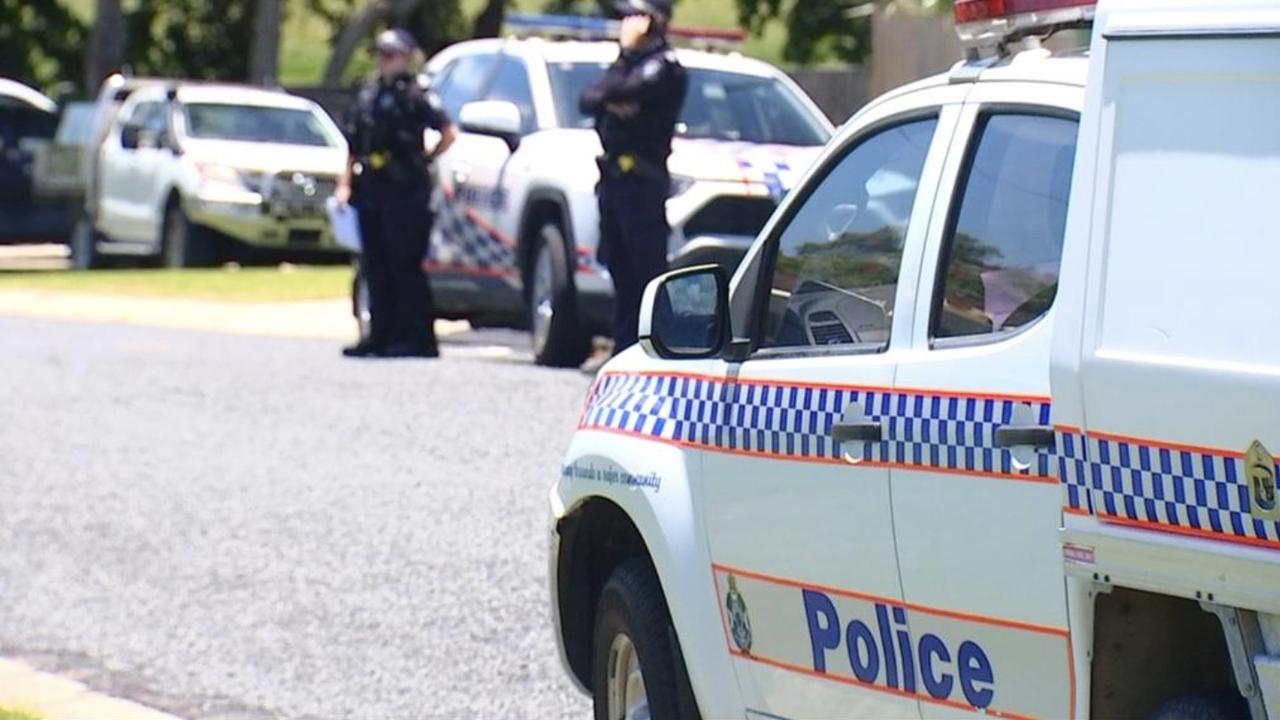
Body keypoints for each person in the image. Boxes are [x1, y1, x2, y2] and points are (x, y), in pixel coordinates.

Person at [336, 28, 457, 358]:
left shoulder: (417, 95)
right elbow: (352, 143)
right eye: (380, 55)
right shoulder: (368, 94)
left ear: (406, 58)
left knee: (403, 264)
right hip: (372, 186)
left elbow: (447, 131)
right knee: (375, 264)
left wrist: (427, 158)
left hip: (405, 188)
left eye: (390, 55)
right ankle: (380, 336)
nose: (383, 61)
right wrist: (345, 183)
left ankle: (416, 338)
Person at [580, 0, 688, 357]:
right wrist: (619, 76)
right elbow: (589, 97)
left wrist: (625, 60)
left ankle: (661, 354)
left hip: (642, 183)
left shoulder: (664, 67)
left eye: (633, 17)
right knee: (621, 272)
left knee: (648, 274)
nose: (625, 23)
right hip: (614, 181)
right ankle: (623, 353)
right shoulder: (629, 65)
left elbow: (622, 92)